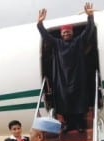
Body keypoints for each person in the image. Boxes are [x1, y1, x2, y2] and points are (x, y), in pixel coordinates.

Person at [37, 2, 96, 132]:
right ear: (61, 34)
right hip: (61, 78)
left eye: (68, 32)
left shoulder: (78, 41)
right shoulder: (57, 43)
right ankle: (69, 124)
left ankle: (80, 124)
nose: (66, 34)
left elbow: (88, 32)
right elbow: (46, 36)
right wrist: (40, 24)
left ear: (72, 33)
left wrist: (90, 17)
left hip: (77, 77)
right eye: (64, 33)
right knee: (64, 102)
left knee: (79, 100)